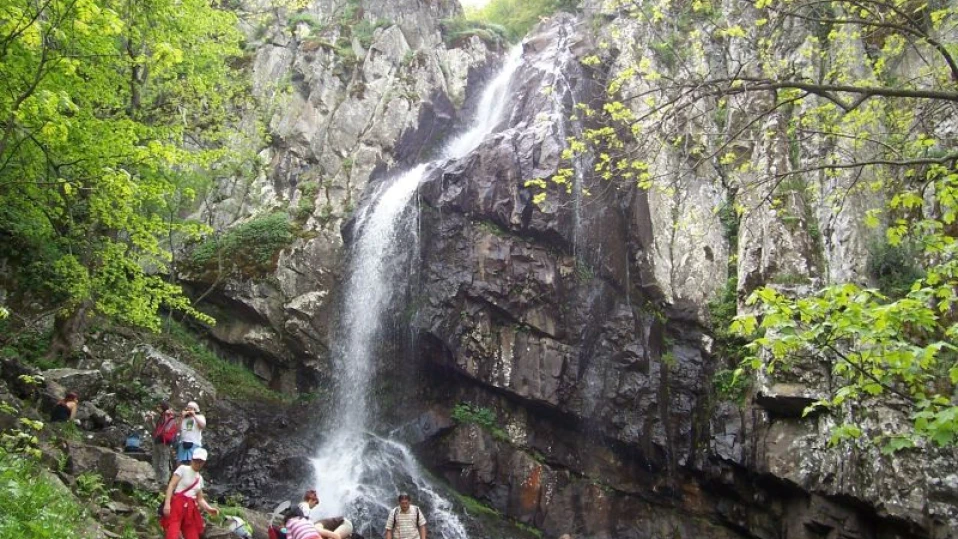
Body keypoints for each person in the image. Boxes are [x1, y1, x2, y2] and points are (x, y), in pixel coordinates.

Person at [161, 447, 219, 539]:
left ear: (204, 463)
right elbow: (171, 485)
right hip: (177, 504)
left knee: (192, 535)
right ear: (192, 459)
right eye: (196, 460)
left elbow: (200, 499)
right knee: (173, 533)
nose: (198, 463)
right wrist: (167, 504)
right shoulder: (182, 469)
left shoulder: (200, 478)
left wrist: (209, 509)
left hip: (190, 509)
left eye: (200, 461)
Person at [151, 401, 178, 485]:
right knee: (156, 461)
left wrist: (168, 412)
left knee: (163, 462)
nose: (158, 409)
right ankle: (156, 479)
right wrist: (151, 420)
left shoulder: (168, 416)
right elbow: (156, 429)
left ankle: (164, 482)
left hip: (164, 441)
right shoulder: (161, 417)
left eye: (159, 407)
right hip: (157, 441)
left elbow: (166, 427)